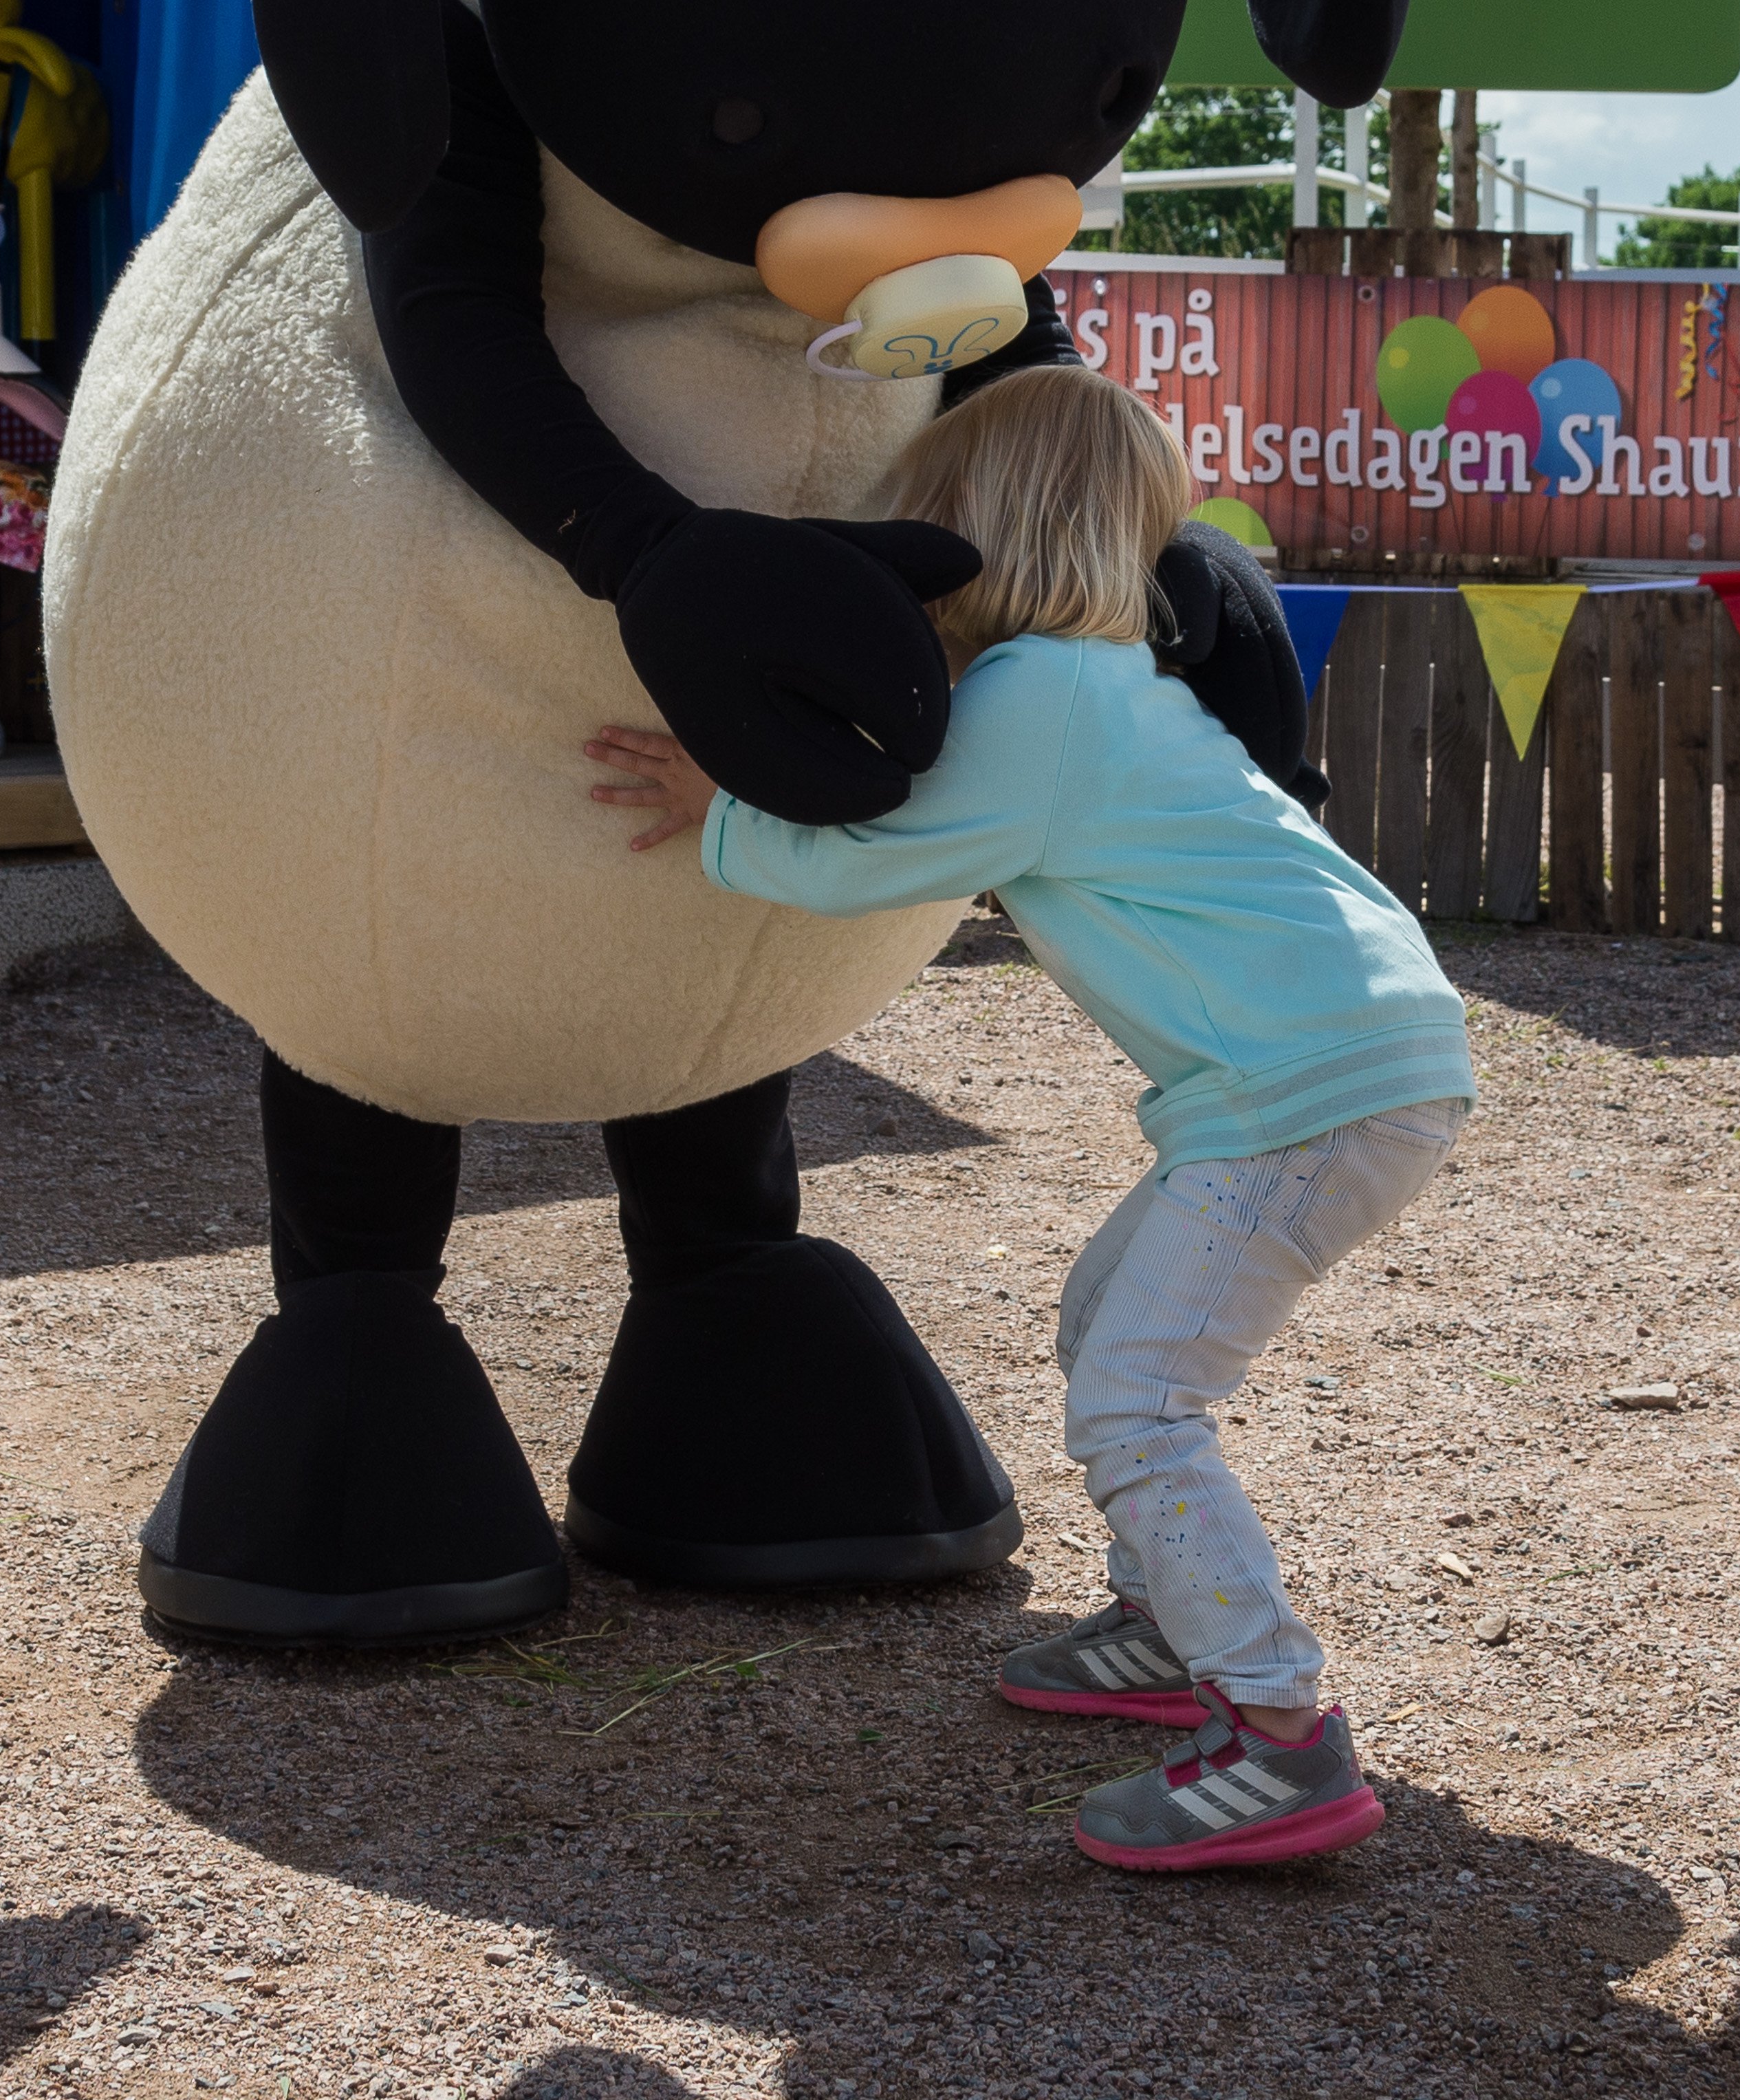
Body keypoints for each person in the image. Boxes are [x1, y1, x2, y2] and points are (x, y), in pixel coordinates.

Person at [583, 365, 1475, 1871]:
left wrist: (715, 798)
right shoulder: (1100, 686)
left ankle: (1277, 1732)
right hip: (1314, 1069)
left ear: (976, 531)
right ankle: (1156, 1619)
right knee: (1102, 1320)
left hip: (1302, 1089)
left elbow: (878, 854)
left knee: (1134, 1398)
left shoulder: (1041, 696)